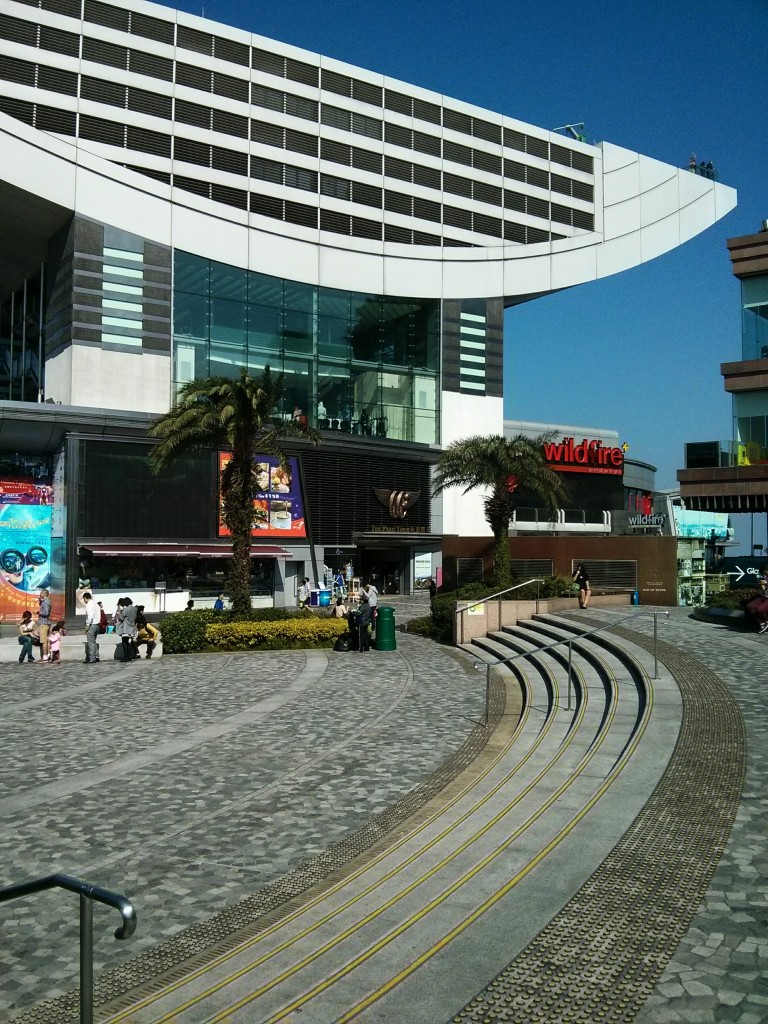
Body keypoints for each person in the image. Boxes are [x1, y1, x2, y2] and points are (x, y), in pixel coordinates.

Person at [116, 596, 139, 662]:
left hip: (126, 628)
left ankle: (126, 657)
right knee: (128, 642)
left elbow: (121, 618)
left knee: (124, 643)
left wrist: (119, 612)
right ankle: (130, 656)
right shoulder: (135, 609)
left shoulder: (126, 609)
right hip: (132, 627)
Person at [83, 591, 101, 663]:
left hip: (92, 624)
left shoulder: (89, 604)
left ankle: (92, 658)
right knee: (94, 641)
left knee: (91, 642)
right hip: (97, 624)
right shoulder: (96, 604)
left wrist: (87, 625)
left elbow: (90, 616)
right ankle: (96, 656)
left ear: (85, 598)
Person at [37, 587, 52, 663]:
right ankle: (48, 655)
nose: (40, 594)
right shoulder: (47, 601)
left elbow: (45, 613)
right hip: (47, 623)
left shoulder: (45, 602)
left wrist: (38, 612)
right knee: (47, 640)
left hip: (44, 623)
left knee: (44, 641)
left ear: (43, 594)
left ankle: (45, 657)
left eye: (41, 593)